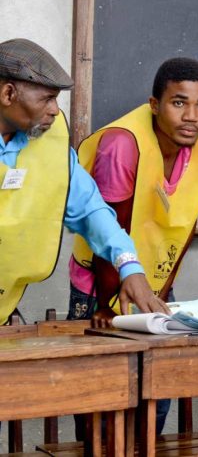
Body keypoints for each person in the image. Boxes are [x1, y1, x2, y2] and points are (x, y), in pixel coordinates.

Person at [0, 38, 167, 325]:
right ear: (8, 93)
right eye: (46, 98)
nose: (55, 110)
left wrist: (129, 266)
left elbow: (91, 212)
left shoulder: (52, 148)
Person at [69, 58, 198, 327]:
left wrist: (162, 291)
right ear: (154, 105)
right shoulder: (122, 145)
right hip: (101, 286)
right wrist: (107, 305)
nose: (191, 116)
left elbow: (185, 227)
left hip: (155, 283)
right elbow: (107, 227)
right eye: (179, 103)